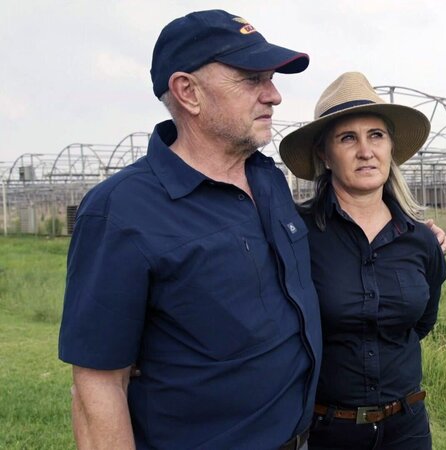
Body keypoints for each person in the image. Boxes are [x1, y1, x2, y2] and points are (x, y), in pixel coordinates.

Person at [58, 10, 321, 449]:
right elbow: (98, 385)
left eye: (272, 79)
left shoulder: (268, 179)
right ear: (188, 92)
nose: (274, 95)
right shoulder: (121, 212)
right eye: (252, 79)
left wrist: (406, 227)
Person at [279, 72, 446, 450]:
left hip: (407, 429)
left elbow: (422, 322)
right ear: (324, 153)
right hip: (327, 432)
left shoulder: (420, 240)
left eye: (376, 135)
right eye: (347, 138)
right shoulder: (297, 234)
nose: (365, 151)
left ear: (390, 147)